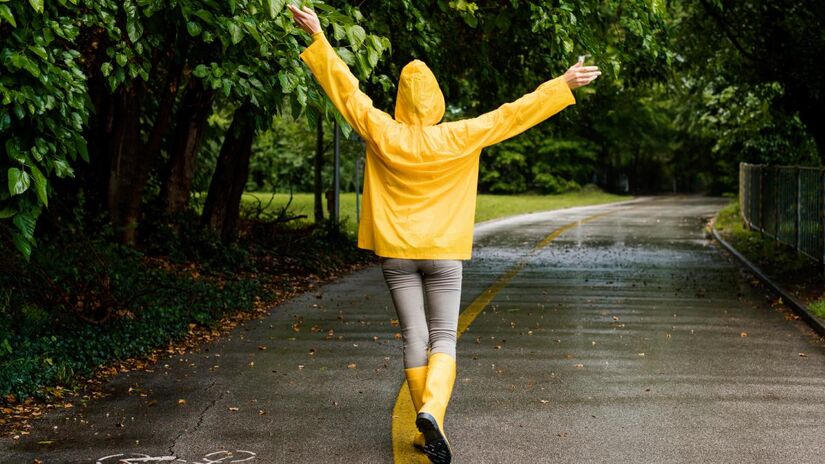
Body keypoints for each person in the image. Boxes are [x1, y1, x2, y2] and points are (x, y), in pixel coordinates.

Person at [289, 5, 600, 463]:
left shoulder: (381, 130)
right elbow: (511, 115)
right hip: (444, 253)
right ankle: (432, 411)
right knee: (444, 338)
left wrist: (319, 37)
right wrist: (561, 84)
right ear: (435, 99)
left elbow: (347, 92)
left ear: (399, 98)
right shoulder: (459, 135)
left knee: (414, 337)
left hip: (396, 253)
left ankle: (426, 427)